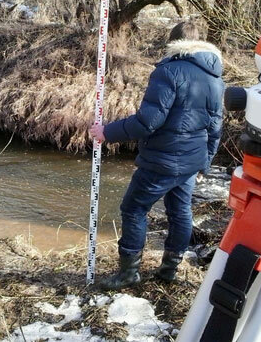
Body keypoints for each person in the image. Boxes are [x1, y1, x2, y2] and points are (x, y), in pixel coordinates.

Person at [89, 20, 224, 290]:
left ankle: (129, 273)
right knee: (180, 212)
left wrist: (106, 132)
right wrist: (204, 161)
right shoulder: (215, 78)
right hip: (190, 161)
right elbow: (215, 125)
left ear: (172, 43)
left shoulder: (168, 71)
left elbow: (148, 121)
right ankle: (169, 270)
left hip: (162, 159)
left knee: (134, 208)